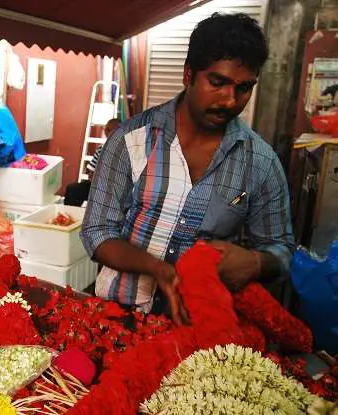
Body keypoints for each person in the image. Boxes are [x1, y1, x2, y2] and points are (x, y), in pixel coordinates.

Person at [80, 13, 295, 326]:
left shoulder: (261, 163)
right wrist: (157, 268)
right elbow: (96, 232)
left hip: (198, 327)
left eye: (244, 88)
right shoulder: (131, 140)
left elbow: (283, 250)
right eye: (217, 82)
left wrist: (257, 262)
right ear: (188, 74)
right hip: (116, 317)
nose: (230, 100)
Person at [64, 118, 120, 207]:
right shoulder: (103, 149)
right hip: (106, 186)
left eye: (108, 129)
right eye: (106, 129)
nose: (106, 132)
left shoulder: (108, 149)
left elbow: (91, 174)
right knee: (74, 189)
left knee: (73, 190)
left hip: (111, 188)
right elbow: (91, 172)